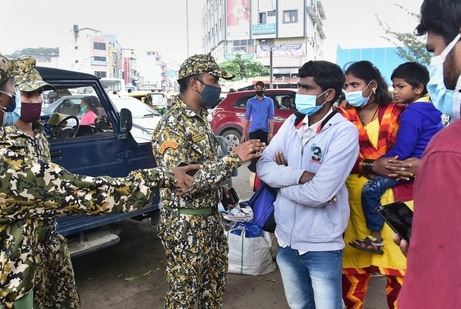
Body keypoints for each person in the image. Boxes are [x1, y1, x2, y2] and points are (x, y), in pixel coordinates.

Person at [0, 40, 198, 308]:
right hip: (1, 300)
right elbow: (88, 193)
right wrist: (163, 176)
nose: (19, 96)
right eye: (14, 88)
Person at [151, 54, 266, 309]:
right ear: (194, 83)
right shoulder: (172, 125)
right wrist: (234, 159)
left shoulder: (201, 119)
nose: (218, 87)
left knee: (211, 292)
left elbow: (206, 165)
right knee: (185, 297)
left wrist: (224, 186)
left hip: (210, 220)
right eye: (213, 80)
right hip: (185, 224)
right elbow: (183, 182)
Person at [396, 1, 461, 307]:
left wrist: (430, 257)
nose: (435, 63)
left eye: (434, 49)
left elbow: (442, 294)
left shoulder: (456, 151)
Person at [257, 60, 359, 308]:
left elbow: (319, 193)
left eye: (306, 88)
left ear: (329, 94)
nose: (298, 94)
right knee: (300, 306)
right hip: (285, 241)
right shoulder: (292, 124)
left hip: (321, 244)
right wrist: (299, 176)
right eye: (298, 86)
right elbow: (263, 166)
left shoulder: (343, 132)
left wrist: (280, 179)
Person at [4, 56, 81, 309]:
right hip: (23, 251)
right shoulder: (2, 142)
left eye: (39, 95)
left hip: (51, 240)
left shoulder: (38, 133)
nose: (36, 101)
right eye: (29, 95)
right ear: (13, 98)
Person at [337, 60, 414, 309]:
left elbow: (413, 152)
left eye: (355, 84)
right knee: (352, 275)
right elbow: (333, 158)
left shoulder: (399, 111)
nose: (349, 89)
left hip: (393, 199)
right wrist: (369, 166)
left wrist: (398, 167)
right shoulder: (341, 115)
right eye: (346, 85)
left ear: (372, 85)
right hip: (352, 205)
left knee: (400, 275)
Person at [349, 61, 443, 255]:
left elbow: (404, 148)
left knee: (370, 190)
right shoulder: (432, 109)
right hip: (423, 167)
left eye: (401, 87)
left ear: (418, 88)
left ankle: (376, 237)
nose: (396, 91)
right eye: (394, 86)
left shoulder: (410, 114)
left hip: (404, 166)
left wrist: (380, 164)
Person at [241, 80, 275, 191]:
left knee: (263, 155)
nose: (259, 91)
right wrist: (244, 133)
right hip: (254, 130)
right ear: (255, 89)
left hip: (264, 131)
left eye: (261, 89)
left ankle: (262, 181)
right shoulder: (251, 102)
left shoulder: (269, 101)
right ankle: (254, 184)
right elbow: (246, 117)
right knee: (254, 157)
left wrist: (271, 132)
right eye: (257, 89)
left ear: (264, 89)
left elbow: (271, 117)